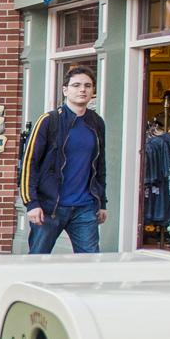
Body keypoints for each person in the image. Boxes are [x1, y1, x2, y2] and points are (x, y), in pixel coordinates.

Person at [21, 65, 107, 254]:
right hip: (49, 207)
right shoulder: (48, 121)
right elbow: (29, 164)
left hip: (84, 206)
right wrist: (32, 203)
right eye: (76, 85)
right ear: (65, 90)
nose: (82, 89)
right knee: (38, 258)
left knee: (90, 261)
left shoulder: (96, 122)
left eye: (88, 85)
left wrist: (102, 203)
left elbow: (100, 166)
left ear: (93, 91)